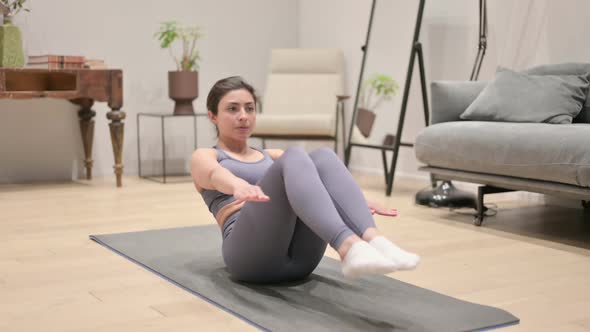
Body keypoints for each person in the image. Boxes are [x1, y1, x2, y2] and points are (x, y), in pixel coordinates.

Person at [191, 76, 419, 283]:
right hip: (249, 258)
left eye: (249, 109)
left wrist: (358, 202)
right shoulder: (206, 155)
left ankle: (375, 241)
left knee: (323, 156)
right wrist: (238, 186)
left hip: (303, 261)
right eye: (232, 109)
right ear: (213, 116)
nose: (243, 116)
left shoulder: (272, 156)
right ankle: (348, 246)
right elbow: (214, 174)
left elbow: (317, 182)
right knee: (295, 155)